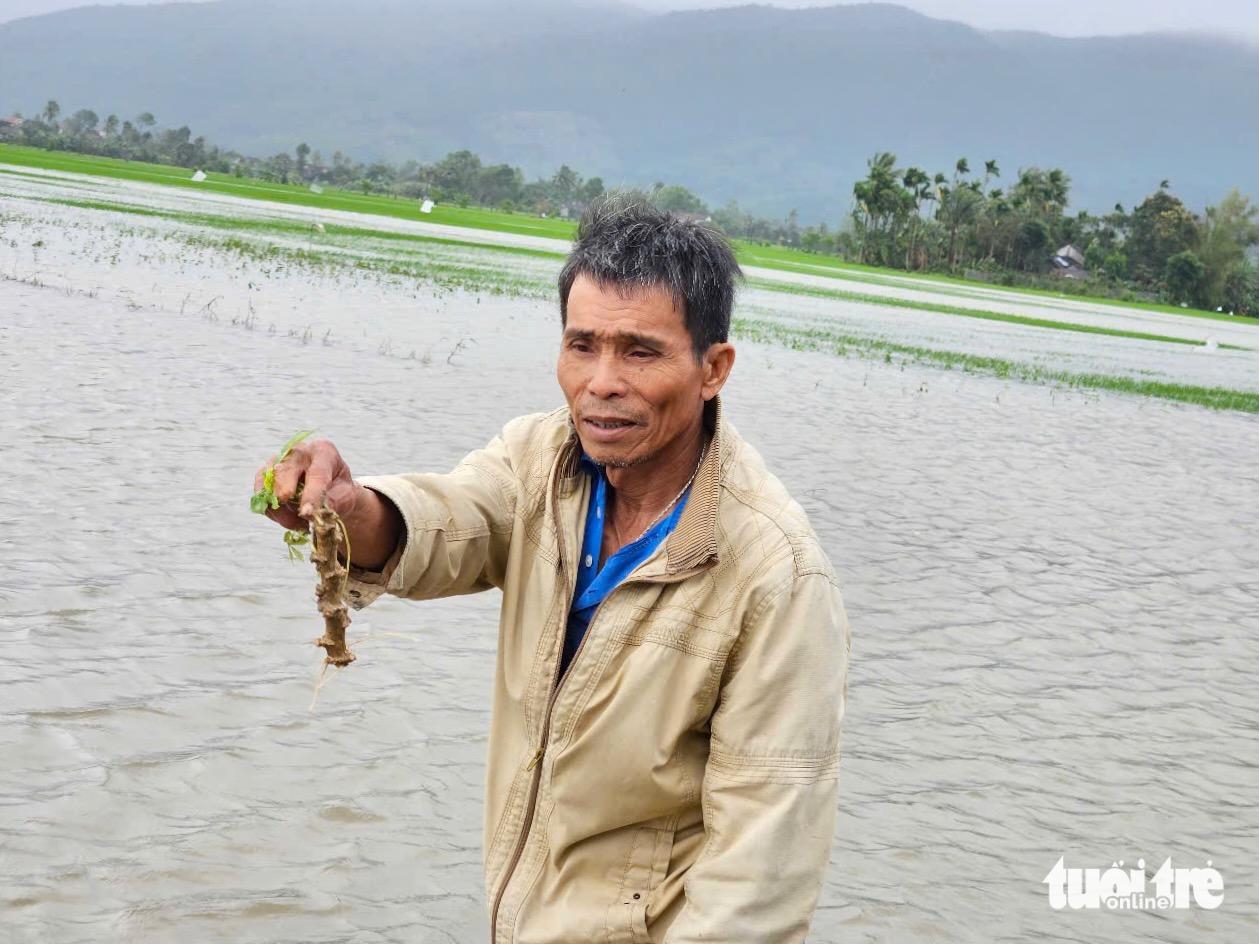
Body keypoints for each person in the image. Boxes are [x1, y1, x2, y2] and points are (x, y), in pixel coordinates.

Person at [255, 193, 851, 943]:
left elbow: (759, 877)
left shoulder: (775, 574)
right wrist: (351, 507)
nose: (601, 381)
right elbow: (453, 522)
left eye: (639, 351)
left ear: (712, 368)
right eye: (581, 345)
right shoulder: (541, 460)